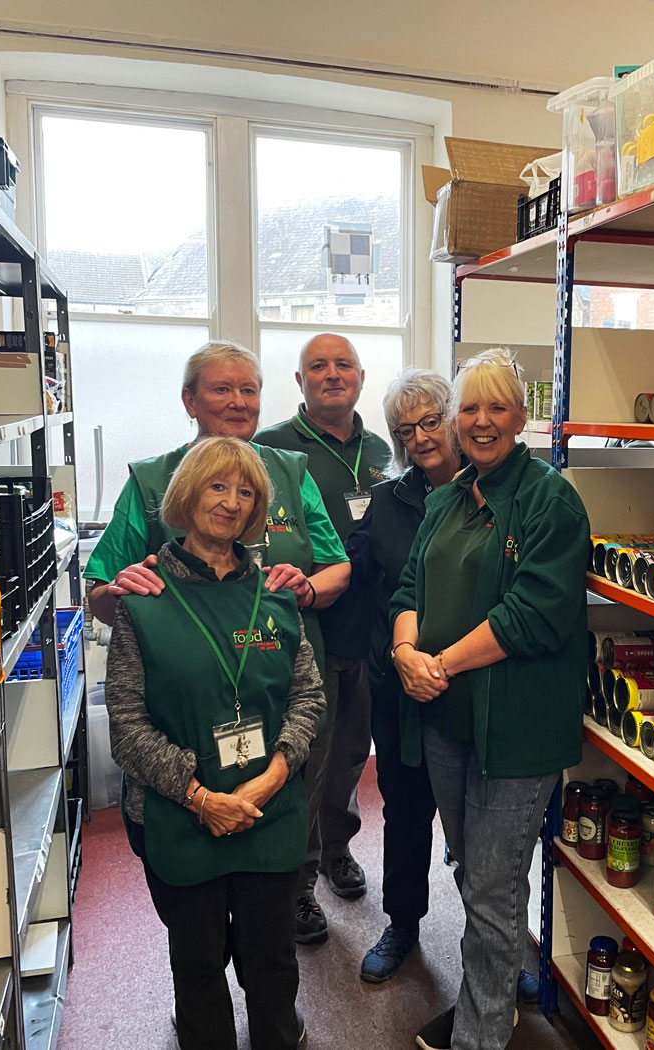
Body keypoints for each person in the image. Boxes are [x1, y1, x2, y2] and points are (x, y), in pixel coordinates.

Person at [389, 349, 590, 1050]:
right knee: (472, 871)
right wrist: (403, 653)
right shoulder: (446, 497)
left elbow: (531, 614)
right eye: (468, 408)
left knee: (493, 891)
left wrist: (435, 662)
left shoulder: (550, 499)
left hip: (516, 729)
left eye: (495, 407)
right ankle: (488, 1007)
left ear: (522, 416)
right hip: (446, 719)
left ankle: (479, 1037)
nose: (480, 422)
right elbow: (409, 585)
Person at [106, 437, 324, 1050]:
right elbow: (126, 725)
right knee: (198, 964)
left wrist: (271, 777)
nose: (231, 503)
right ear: (187, 495)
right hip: (180, 816)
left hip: (269, 808)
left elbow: (307, 698)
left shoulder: (278, 592)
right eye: (216, 487)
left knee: (272, 962)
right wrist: (202, 796)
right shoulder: (143, 599)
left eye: (246, 492)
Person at [85, 341, 350, 683]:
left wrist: (307, 589)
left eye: (248, 391)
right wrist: (120, 590)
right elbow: (101, 597)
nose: (238, 402)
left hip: (284, 676)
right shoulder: (150, 480)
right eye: (222, 389)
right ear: (190, 401)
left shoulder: (290, 471)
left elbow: (337, 567)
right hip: (185, 680)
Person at [256, 333, 391, 943]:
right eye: (318, 367)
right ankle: (300, 881)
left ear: (360, 378)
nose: (332, 375)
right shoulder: (272, 449)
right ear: (300, 380)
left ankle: (336, 850)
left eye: (343, 366)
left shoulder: (382, 449)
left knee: (349, 757)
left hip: (372, 633)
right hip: (304, 635)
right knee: (305, 761)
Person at [343, 369, 459, 983]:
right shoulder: (386, 503)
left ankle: (499, 941)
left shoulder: (495, 493)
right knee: (406, 811)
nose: (418, 437)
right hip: (400, 690)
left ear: (456, 416)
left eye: (430, 421)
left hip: (475, 688)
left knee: (480, 826)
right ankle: (404, 924)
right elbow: (357, 573)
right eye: (403, 429)